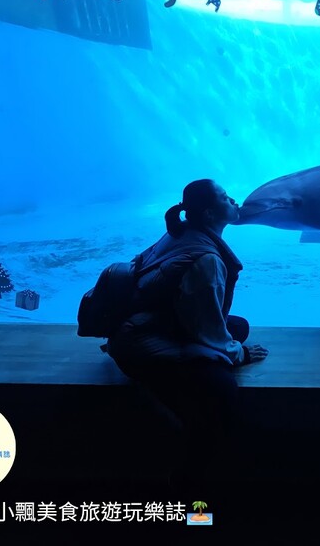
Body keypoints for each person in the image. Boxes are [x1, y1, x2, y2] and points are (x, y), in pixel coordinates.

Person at [105, 179, 269, 488]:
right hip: (140, 345)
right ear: (209, 214)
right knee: (222, 393)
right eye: (225, 197)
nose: (234, 200)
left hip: (143, 326)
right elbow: (207, 330)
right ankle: (190, 481)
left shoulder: (180, 232)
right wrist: (240, 353)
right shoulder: (206, 259)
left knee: (239, 327)